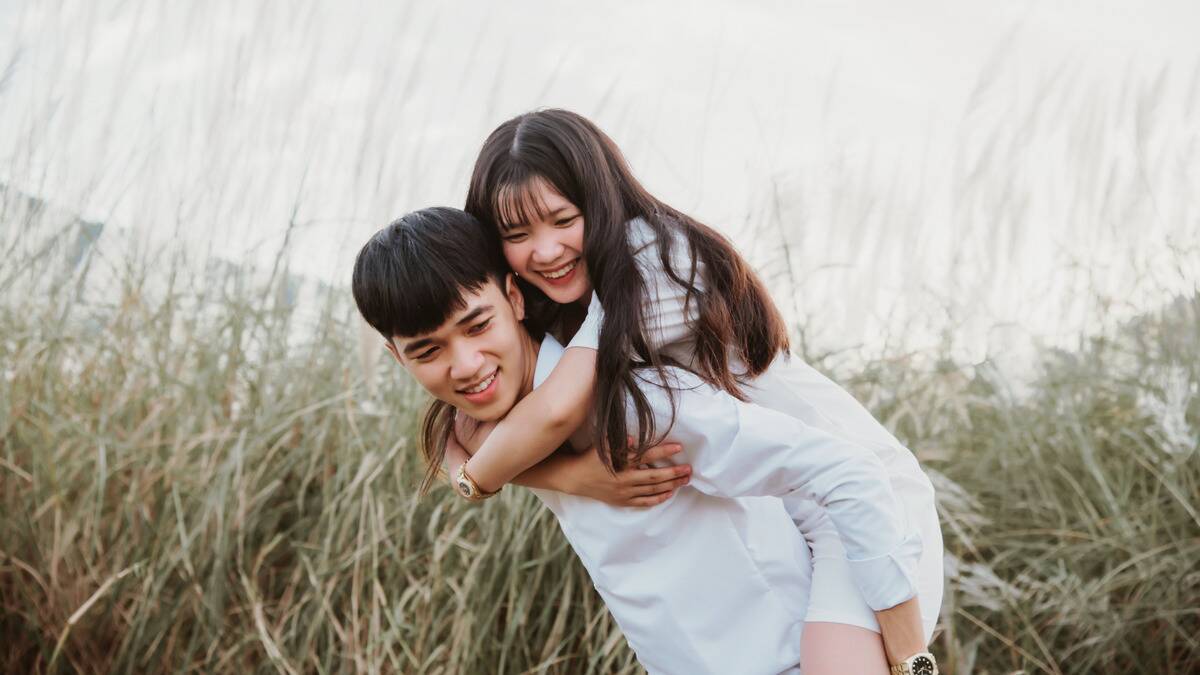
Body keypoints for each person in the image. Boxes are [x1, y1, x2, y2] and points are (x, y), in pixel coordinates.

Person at [448, 109, 944, 674]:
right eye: (516, 235)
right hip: (791, 506)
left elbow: (554, 412)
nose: (545, 250)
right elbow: (456, 431)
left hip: (861, 499)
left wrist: (500, 477)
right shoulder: (562, 303)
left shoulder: (650, 261)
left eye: (563, 219)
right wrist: (564, 476)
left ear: (601, 203)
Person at [352, 207, 931, 674]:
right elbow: (463, 449)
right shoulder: (488, 428)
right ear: (395, 355)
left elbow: (848, 474)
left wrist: (909, 663)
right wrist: (563, 476)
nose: (465, 366)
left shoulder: (639, 404)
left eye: (478, 326)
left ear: (516, 297)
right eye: (427, 352)